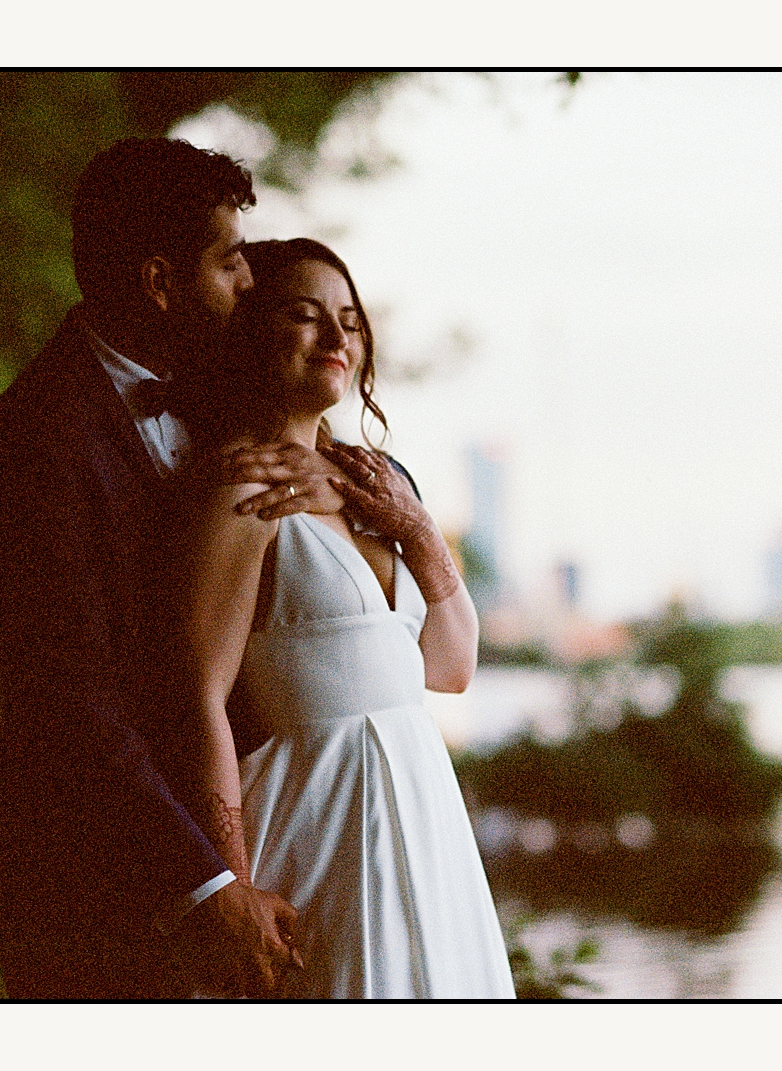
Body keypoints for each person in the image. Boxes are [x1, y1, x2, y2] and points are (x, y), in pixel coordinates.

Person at [0, 138, 352, 998]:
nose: (250, 283)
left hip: (260, 853)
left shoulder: (225, 393)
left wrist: (336, 480)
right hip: (93, 898)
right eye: (229, 262)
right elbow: (70, 704)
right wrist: (207, 888)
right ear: (159, 282)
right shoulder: (33, 443)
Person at [165, 237, 514, 998]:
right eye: (305, 315)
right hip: (322, 825)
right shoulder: (242, 483)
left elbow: (451, 669)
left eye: (350, 321)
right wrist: (231, 886)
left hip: (424, 823)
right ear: (252, 332)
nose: (337, 339)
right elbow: (196, 695)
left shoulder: (380, 481)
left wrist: (418, 532)